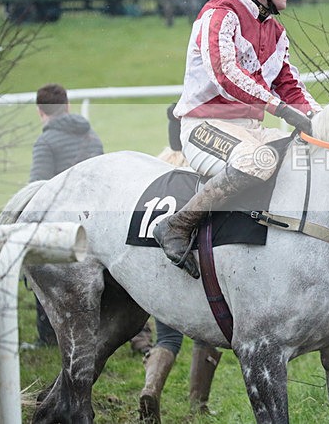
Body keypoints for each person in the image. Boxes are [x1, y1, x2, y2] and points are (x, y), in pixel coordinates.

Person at [153, 0, 320, 279]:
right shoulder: (220, 13)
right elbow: (225, 74)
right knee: (258, 162)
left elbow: (290, 85)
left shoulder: (276, 31)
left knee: (308, 160)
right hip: (203, 127)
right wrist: (279, 108)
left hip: (251, 129)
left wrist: (321, 119)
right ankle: (177, 225)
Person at [139, 104, 223, 423]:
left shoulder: (157, 168)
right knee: (206, 333)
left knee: (167, 336)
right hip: (195, 261)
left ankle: (151, 389)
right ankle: (197, 405)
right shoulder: (203, 173)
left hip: (156, 263)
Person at [28, 84, 105, 346]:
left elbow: (37, 190)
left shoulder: (45, 142)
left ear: (40, 111)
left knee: (34, 260)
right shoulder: (92, 136)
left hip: (61, 225)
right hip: (94, 219)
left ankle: (48, 337)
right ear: (68, 106)